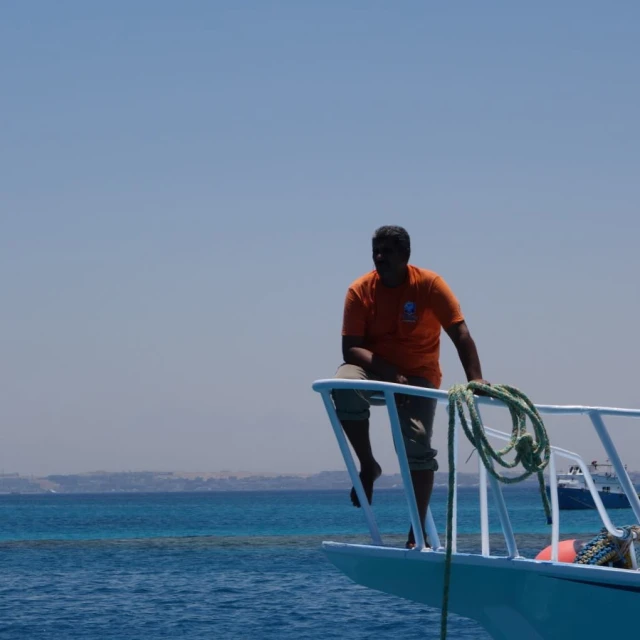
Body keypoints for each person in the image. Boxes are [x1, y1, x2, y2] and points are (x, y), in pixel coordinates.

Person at [331, 225, 489, 549]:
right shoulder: (359, 291)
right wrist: (388, 373)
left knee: (416, 445)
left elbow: (460, 333)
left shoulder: (430, 285)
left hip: (418, 374)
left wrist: (475, 378)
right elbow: (350, 349)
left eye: (387, 252)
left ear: (405, 255)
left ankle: (416, 531)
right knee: (343, 384)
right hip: (374, 369)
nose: (379, 258)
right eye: (376, 251)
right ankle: (368, 466)